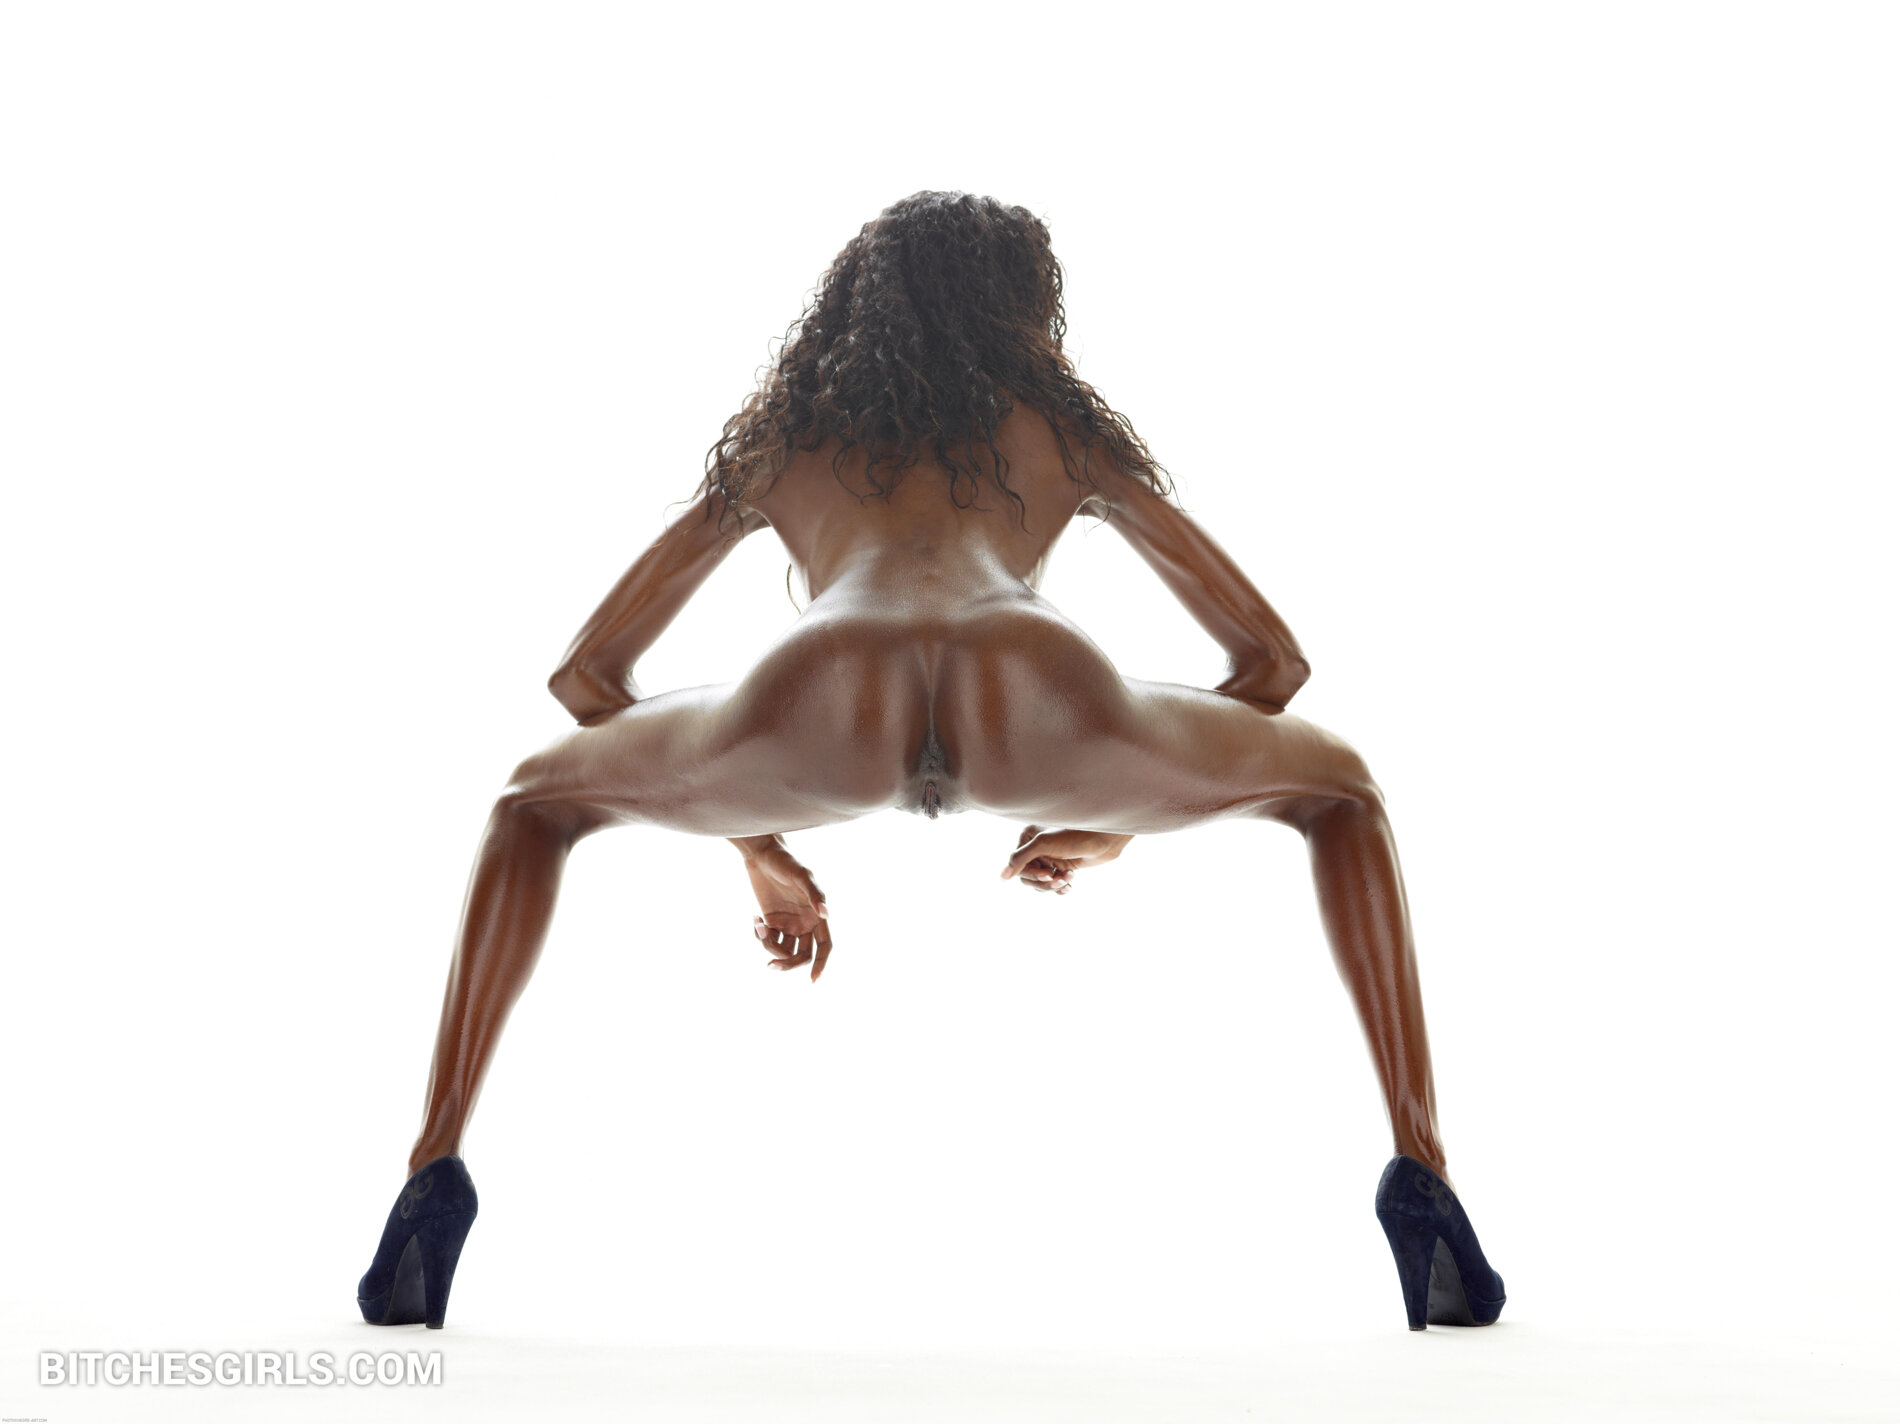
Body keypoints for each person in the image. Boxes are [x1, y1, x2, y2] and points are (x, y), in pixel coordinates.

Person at [354, 190, 1505, 1333]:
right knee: (1340, 787)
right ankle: (1422, 1168)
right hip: (1033, 682)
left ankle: (432, 1166)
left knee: (530, 798)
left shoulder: (786, 437)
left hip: (821, 688)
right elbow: (1270, 662)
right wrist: (1120, 814)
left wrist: (755, 843)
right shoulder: (1063, 431)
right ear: (1023, 309)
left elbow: (587, 678)